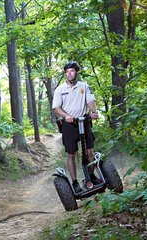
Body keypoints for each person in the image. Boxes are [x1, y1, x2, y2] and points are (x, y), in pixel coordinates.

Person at [52, 61, 100, 193]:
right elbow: (56, 108)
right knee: (71, 154)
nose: (69, 74)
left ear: (76, 72)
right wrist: (66, 116)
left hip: (84, 121)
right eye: (67, 72)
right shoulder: (60, 90)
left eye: (72, 71)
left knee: (89, 152)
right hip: (69, 124)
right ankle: (75, 183)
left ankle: (91, 176)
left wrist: (94, 112)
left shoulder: (83, 86)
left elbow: (90, 101)